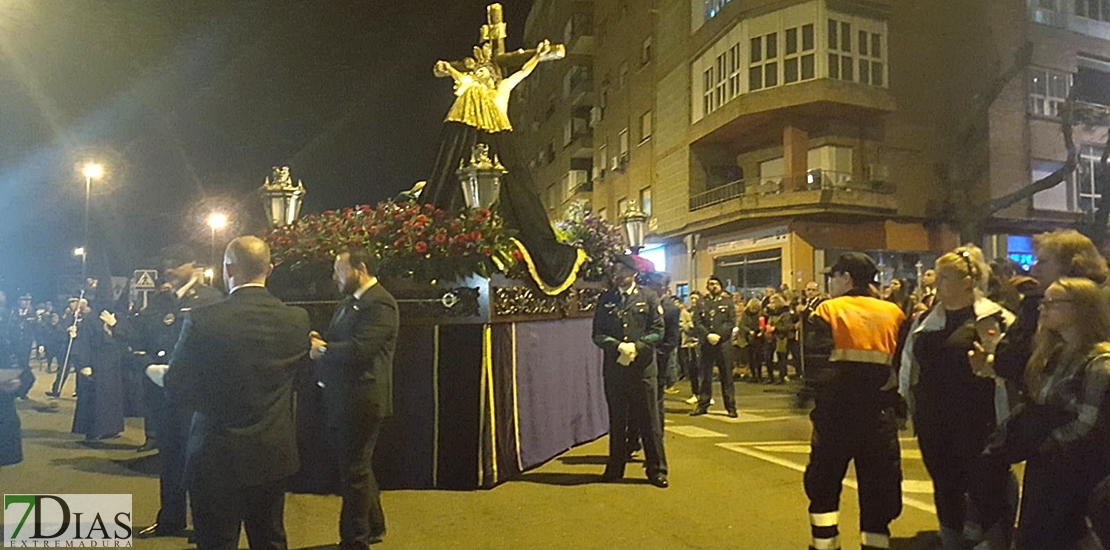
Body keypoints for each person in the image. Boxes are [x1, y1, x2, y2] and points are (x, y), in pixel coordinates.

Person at [165, 237, 310, 550]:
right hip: (272, 453)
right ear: (269, 269)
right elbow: (300, 378)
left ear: (227, 269)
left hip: (216, 454)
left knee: (215, 541)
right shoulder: (296, 320)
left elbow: (177, 383)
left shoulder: (204, 319)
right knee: (270, 538)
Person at [422, 39, 584, 295]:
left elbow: (521, 73)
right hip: (468, 149)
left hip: (499, 148)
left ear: (494, 76)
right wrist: (448, 70)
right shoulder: (469, 92)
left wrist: (538, 58)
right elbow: (459, 78)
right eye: (477, 73)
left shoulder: (500, 91)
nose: (480, 75)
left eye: (485, 72)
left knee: (515, 194)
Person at [898, 246, 1015, 550]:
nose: (937, 284)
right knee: (945, 485)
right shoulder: (926, 320)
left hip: (976, 420)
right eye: (936, 277)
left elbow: (1008, 367)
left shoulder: (992, 319)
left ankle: (995, 541)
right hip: (934, 420)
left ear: (967, 282)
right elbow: (910, 365)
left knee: (985, 487)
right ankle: (952, 541)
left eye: (945, 278)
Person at [802, 253, 905, 550]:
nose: (830, 283)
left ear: (846, 278)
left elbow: (817, 367)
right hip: (878, 418)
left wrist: (809, 401)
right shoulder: (894, 313)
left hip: (836, 417)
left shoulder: (827, 311)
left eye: (832, 277)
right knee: (878, 496)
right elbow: (903, 366)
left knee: (824, 491)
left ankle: (825, 547)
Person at [310, 246, 399, 549]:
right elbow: (340, 340)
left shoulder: (380, 303)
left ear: (359, 268)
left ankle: (354, 541)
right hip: (345, 399)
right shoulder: (350, 302)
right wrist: (320, 340)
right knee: (358, 467)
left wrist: (323, 349)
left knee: (355, 472)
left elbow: (362, 349)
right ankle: (374, 526)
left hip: (363, 399)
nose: (335, 276)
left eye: (339, 270)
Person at [1014, 277, 1110, 549]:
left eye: (1053, 303)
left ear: (1082, 309)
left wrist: (1046, 441)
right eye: (1043, 301)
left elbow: (1087, 423)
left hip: (1076, 471)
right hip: (1046, 468)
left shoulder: (1099, 362)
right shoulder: (1052, 354)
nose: (1043, 308)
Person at [137, 244, 224, 539]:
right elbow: (140, 340)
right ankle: (170, 519)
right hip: (164, 392)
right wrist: (149, 366)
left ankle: (204, 526)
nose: (169, 269)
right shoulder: (160, 301)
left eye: (175, 262)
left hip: (195, 395)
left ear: (192, 265)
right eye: (166, 263)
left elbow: (216, 349)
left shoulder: (210, 299)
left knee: (200, 463)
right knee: (170, 459)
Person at [993, 229, 1109, 398]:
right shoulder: (1035, 302)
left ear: (1071, 264)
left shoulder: (1100, 304)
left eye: (1043, 262)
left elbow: (1012, 361)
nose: (1034, 270)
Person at [591, 255, 668, 488]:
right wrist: (617, 346)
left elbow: (658, 330)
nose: (619, 276)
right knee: (617, 420)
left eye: (623, 272)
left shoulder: (649, 297)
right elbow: (597, 334)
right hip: (615, 370)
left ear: (634, 274)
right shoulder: (606, 299)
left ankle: (657, 469)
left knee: (649, 422)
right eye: (616, 271)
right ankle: (615, 467)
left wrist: (638, 346)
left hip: (642, 370)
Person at [691, 276, 738, 417]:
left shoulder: (727, 302)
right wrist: (707, 335)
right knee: (706, 376)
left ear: (721, 286)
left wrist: (719, 335)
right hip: (707, 343)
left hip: (723, 344)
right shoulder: (702, 302)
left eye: (717, 284)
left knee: (727, 376)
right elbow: (697, 321)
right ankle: (703, 404)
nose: (714, 286)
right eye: (711, 284)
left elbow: (731, 322)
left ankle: (731, 407)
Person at [639, 271, 680, 432]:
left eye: (656, 286)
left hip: (658, 360)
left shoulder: (670, 309)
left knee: (656, 401)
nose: (652, 289)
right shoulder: (644, 303)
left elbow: (671, 339)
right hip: (641, 357)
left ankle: (657, 434)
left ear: (664, 288)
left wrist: (656, 353)